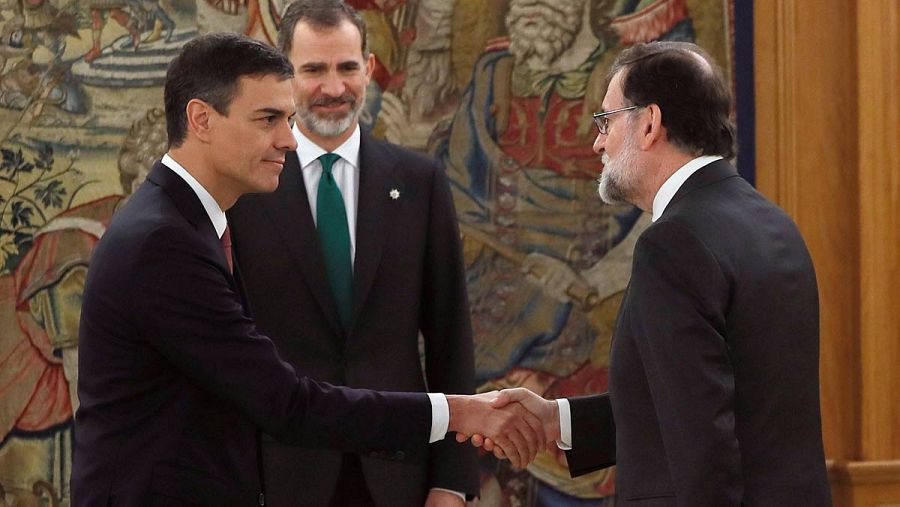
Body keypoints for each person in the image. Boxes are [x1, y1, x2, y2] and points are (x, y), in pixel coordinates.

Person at [71, 32, 545, 507]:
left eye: (290, 119)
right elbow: (286, 403)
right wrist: (458, 413)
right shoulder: (164, 243)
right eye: (268, 119)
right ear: (201, 119)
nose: (288, 140)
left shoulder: (186, 223)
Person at [464, 41, 833, 506]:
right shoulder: (774, 223)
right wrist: (557, 420)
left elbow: (703, 441)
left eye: (606, 121)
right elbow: (698, 404)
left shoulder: (673, 243)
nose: (598, 142)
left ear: (650, 124)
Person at [226, 2, 478, 505]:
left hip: (399, 476)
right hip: (279, 478)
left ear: (369, 67)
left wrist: (451, 482)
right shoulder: (243, 193)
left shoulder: (420, 183)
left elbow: (451, 342)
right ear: (284, 73)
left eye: (347, 67)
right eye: (313, 70)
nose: (334, 87)